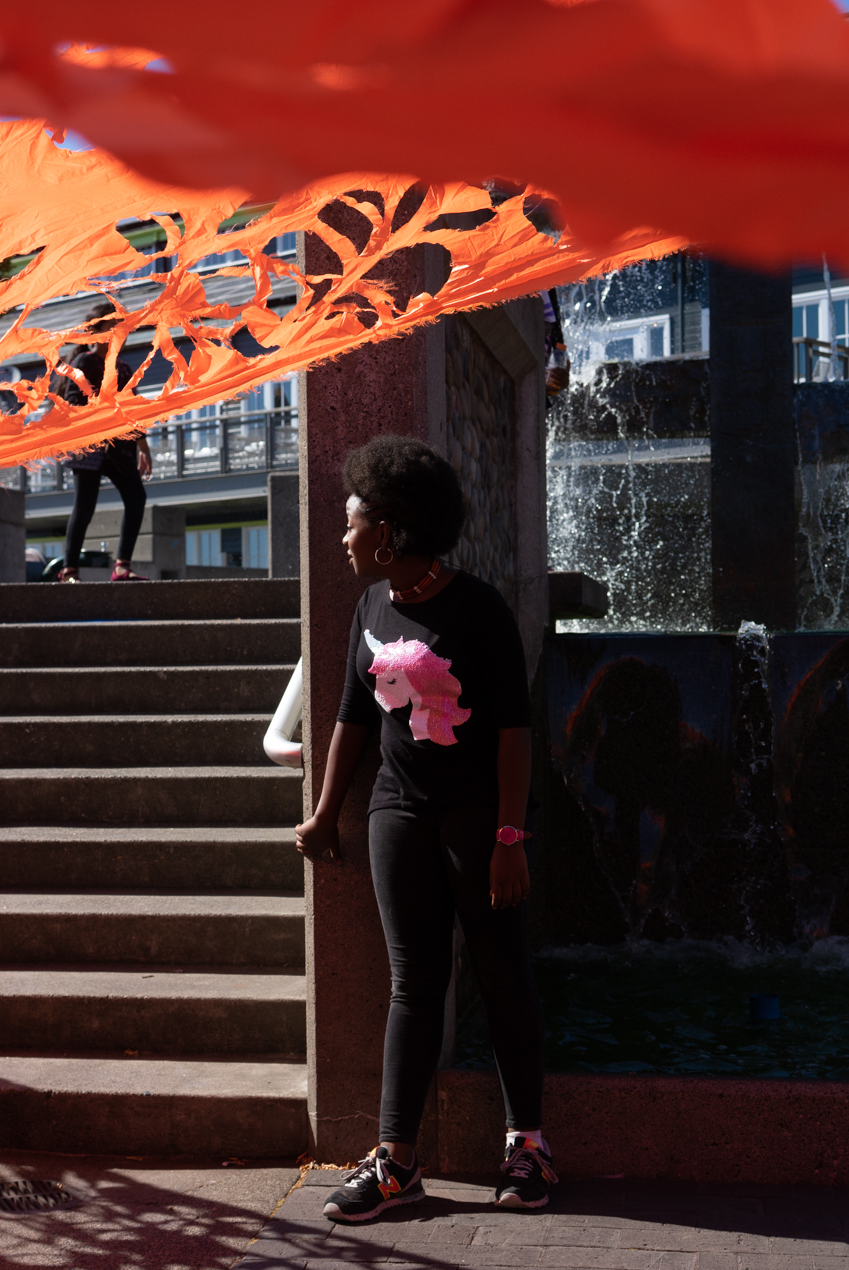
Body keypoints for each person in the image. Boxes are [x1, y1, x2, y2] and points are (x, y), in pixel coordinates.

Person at [294, 434, 551, 1222]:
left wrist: (510, 837)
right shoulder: (370, 605)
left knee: (502, 973)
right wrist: (326, 810)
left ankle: (528, 1148)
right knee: (413, 983)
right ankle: (397, 1161)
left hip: (475, 818)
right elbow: (351, 718)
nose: (342, 538)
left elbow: (513, 730)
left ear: (392, 530)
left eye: (352, 524)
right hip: (396, 813)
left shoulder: (479, 610)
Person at [53, 314, 150, 582]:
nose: (118, 333)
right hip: (91, 447)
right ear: (96, 333)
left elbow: (132, 409)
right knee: (84, 506)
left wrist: (143, 445)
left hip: (119, 448)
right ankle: (69, 570)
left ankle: (121, 567)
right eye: (111, 328)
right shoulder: (84, 362)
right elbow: (74, 400)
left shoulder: (125, 368)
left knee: (136, 498)